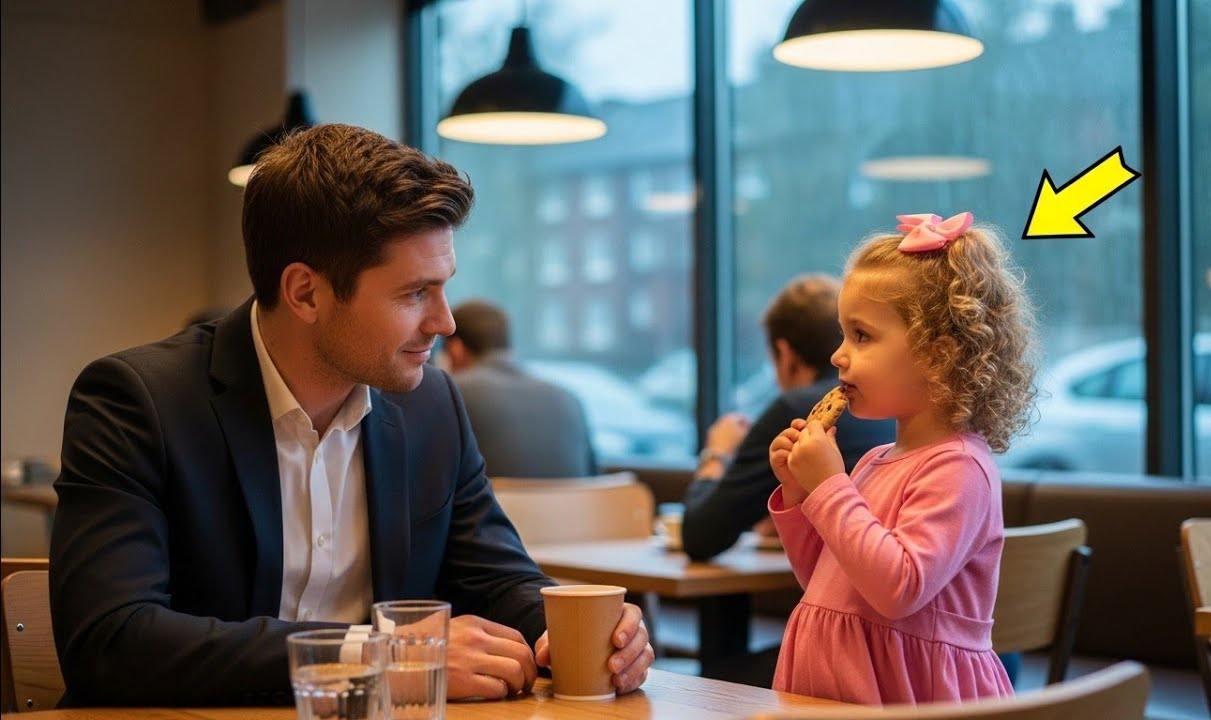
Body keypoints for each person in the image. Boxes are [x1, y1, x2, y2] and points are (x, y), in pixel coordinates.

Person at [48, 124, 653, 707]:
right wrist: (387, 653)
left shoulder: (432, 407)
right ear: (306, 292)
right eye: (414, 292)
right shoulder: (138, 401)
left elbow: (497, 582)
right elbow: (110, 642)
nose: (444, 322)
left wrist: (593, 630)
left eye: (443, 287)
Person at [768, 212, 1037, 705]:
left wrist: (829, 487)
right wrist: (801, 492)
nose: (838, 356)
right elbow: (832, 582)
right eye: (842, 334)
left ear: (937, 355)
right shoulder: (872, 461)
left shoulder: (960, 469)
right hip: (845, 690)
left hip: (913, 696)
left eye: (862, 336)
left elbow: (897, 590)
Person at [682, 274, 894, 561]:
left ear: (784, 353)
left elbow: (700, 537)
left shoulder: (795, 410)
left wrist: (716, 454)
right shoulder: (887, 407)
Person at [444, 300, 597, 478]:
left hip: (500, 505)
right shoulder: (570, 399)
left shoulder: (451, 392)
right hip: (575, 506)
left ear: (455, 349)